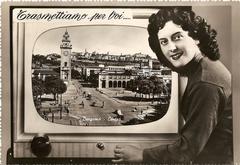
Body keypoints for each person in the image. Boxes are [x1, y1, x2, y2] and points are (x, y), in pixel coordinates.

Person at [113, 7, 232, 164]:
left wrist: (141, 154)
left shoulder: (205, 83)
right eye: (164, 42)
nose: (171, 48)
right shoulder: (203, 67)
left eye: (177, 37)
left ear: (196, 37)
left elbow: (187, 152)